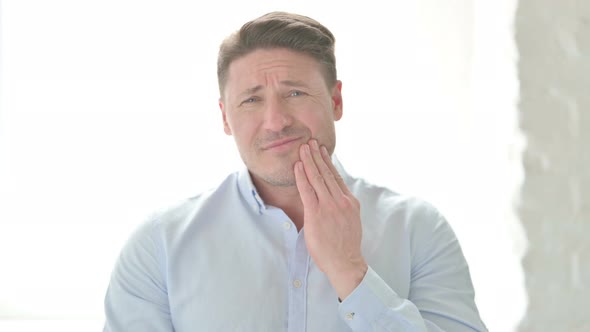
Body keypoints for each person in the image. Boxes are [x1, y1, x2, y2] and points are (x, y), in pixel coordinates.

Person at [103, 11, 487, 332]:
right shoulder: (160, 246)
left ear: (335, 100)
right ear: (225, 117)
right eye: (252, 100)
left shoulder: (418, 229)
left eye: (295, 93)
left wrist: (350, 272)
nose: (275, 121)